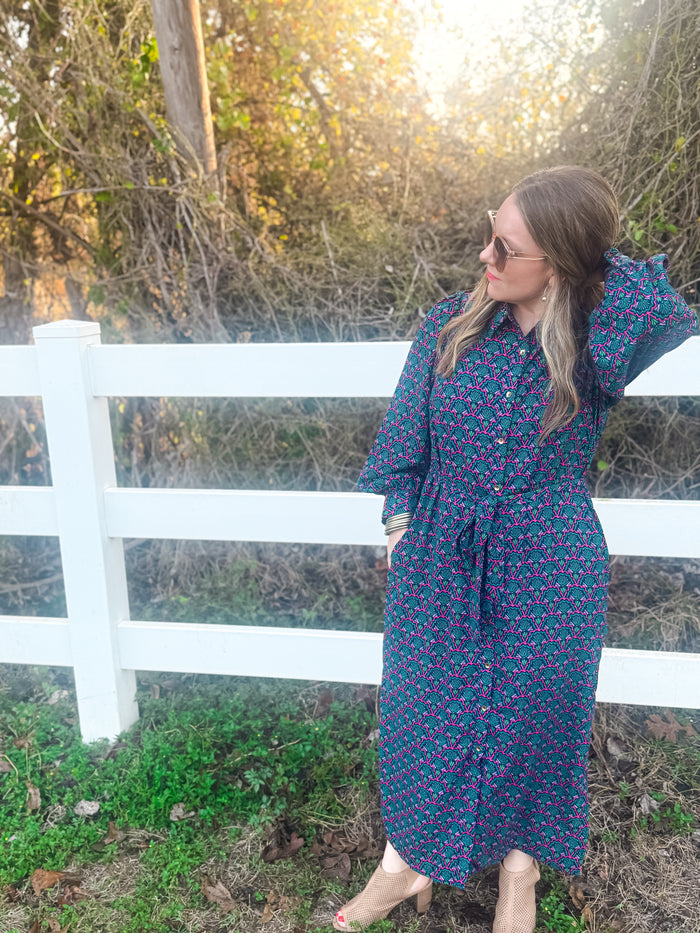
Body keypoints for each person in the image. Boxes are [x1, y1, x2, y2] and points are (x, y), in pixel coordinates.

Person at [333, 165, 699, 933]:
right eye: (489, 236)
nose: (485, 258)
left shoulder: (599, 347)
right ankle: (405, 866)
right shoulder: (449, 326)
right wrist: (403, 528)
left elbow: (660, 302)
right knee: (422, 712)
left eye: (507, 247)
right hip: (442, 556)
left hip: (552, 559)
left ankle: (519, 875)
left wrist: (590, 261)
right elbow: (402, 447)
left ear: (561, 263)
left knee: (537, 721)